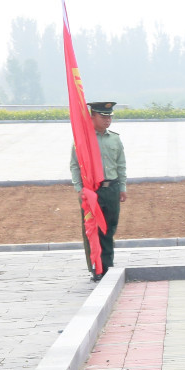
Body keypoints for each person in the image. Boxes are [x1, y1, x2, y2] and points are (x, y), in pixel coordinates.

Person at [69, 101, 127, 280]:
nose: (107, 120)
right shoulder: (83, 139)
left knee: (109, 229)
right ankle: (97, 268)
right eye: (103, 116)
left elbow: (121, 165)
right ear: (92, 116)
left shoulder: (115, 138)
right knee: (93, 230)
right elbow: (74, 166)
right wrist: (79, 189)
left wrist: (122, 187)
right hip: (92, 192)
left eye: (109, 116)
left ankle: (108, 265)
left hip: (112, 189)